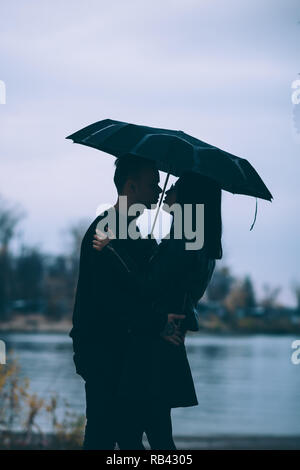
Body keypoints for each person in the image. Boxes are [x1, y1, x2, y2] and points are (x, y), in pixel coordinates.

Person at [93, 171, 223, 449]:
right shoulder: (198, 242)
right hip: (164, 346)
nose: (167, 191)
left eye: (175, 187)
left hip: (152, 348)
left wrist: (112, 248)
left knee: (131, 434)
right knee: (157, 433)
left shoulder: (181, 242)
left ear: (189, 198)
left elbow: (146, 286)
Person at [69, 154, 185, 450]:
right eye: (153, 185)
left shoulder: (135, 233)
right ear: (131, 187)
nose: (159, 193)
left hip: (125, 352)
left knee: (124, 434)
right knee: (102, 434)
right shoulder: (106, 231)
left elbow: (149, 286)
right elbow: (112, 300)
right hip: (102, 352)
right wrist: (159, 323)